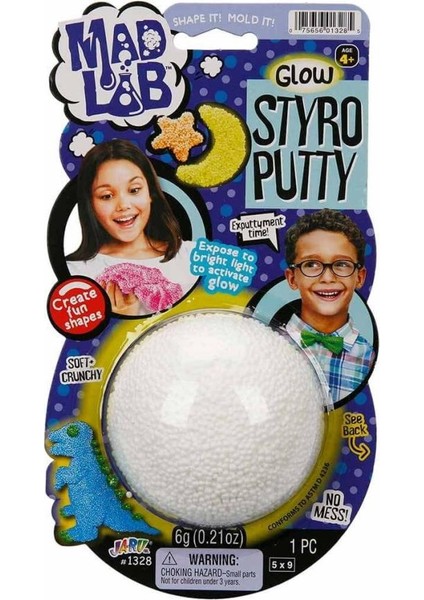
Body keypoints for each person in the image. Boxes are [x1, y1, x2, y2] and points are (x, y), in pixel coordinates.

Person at [67, 139, 197, 315]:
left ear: (150, 192)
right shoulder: (76, 274)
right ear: (90, 203)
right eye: (106, 196)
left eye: (134, 190)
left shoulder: (193, 256)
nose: (123, 205)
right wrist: (119, 318)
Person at [284, 209, 375, 404]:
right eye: (311, 264)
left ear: (359, 277)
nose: (327, 278)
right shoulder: (272, 347)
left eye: (341, 264)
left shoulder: (369, 356)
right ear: (292, 278)